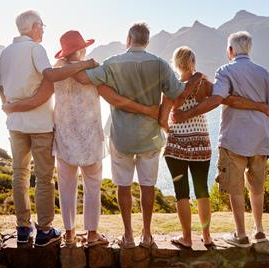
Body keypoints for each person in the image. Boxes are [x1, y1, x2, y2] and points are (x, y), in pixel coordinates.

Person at [2, 30, 160, 247]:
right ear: (82, 48)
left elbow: (41, 97)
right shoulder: (93, 70)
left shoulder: (56, 71)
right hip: (90, 139)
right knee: (92, 187)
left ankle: (69, 234)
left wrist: (12, 106)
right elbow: (110, 95)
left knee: (66, 187)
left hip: (65, 137)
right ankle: (92, 234)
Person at [74, 22, 204, 248]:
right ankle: (146, 235)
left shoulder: (113, 63)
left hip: (122, 136)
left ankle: (128, 236)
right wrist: (162, 117)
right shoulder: (160, 64)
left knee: (123, 186)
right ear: (147, 41)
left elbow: (84, 79)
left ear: (128, 39)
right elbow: (175, 93)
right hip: (151, 136)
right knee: (148, 186)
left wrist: (85, 65)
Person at [0, 10, 98, 247]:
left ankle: (23, 228)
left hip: (15, 125)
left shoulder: (4, 54)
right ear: (33, 27)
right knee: (43, 178)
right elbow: (51, 75)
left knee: (19, 174)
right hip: (40, 124)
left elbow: (1, 90)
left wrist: (10, 107)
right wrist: (85, 63)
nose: (43, 30)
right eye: (41, 26)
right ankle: (44, 230)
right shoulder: (35, 49)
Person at [174, 31, 269, 248]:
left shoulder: (225, 71)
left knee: (236, 187)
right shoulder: (264, 73)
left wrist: (186, 114)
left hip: (234, 140)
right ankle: (259, 231)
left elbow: (216, 100)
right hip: (261, 139)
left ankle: (240, 234)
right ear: (248, 49)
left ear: (230, 51)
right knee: (257, 188)